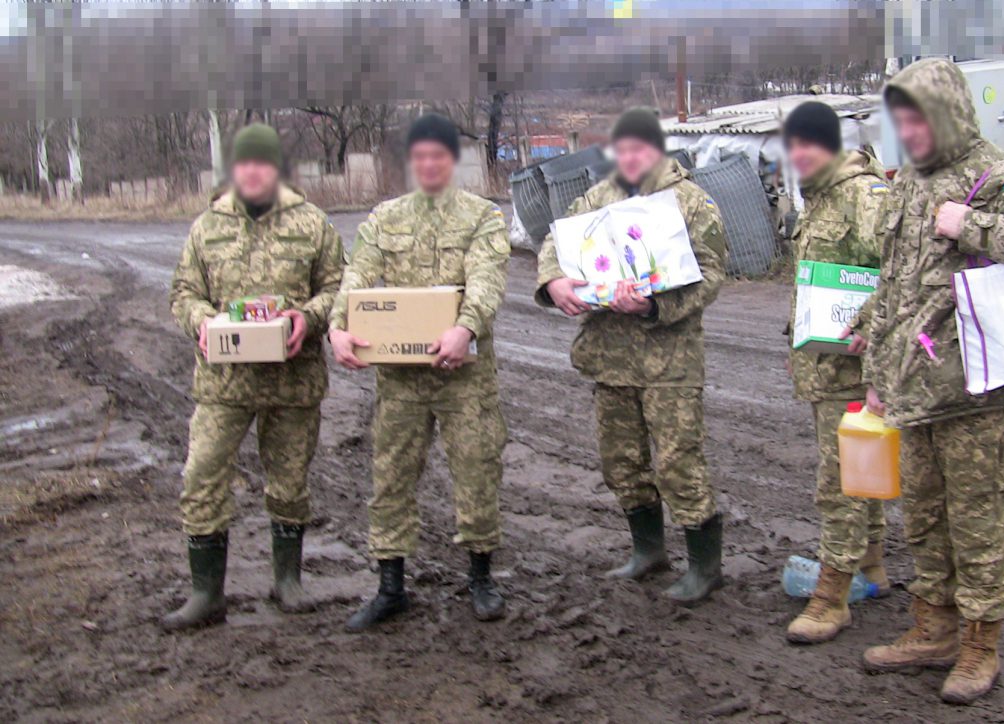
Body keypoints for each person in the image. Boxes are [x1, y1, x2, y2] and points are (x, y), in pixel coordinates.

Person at [844, 58, 1004, 704]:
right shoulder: (906, 185)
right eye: (900, 120)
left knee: (976, 523)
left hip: (975, 391)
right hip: (913, 391)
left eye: (917, 118)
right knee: (923, 518)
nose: (908, 132)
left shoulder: (995, 176)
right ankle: (935, 629)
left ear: (947, 113)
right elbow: (897, 287)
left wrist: (972, 224)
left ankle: (980, 646)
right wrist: (876, 363)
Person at [535, 108, 729, 604]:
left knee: (678, 464)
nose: (631, 158)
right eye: (622, 149)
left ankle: (704, 568)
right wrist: (554, 281)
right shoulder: (597, 199)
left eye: (640, 148)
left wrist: (654, 305)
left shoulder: (691, 202)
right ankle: (648, 552)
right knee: (622, 462)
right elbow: (554, 244)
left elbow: (711, 274)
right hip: (609, 357)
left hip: (669, 361)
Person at [329, 113, 511, 630]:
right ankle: (390, 586)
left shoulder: (483, 216)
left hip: (464, 376)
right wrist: (338, 325)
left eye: (439, 156)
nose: (429, 165)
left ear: (452, 160)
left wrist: (467, 327)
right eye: (420, 157)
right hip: (401, 379)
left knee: (477, 472)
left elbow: (486, 279)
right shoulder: (386, 217)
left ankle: (480, 577)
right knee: (390, 477)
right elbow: (358, 272)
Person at [165, 123, 345, 630]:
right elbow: (183, 292)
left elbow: (339, 289)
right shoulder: (208, 226)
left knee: (289, 481)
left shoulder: (312, 223)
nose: (253, 172)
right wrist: (201, 322)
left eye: (262, 163)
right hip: (224, 384)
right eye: (244, 164)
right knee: (202, 476)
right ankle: (207, 593)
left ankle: (287, 581)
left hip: (294, 380)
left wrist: (305, 319)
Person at [780, 101, 891, 644]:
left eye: (808, 143)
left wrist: (871, 324)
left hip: (855, 367)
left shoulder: (863, 196)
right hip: (826, 363)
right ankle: (872, 566)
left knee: (839, 482)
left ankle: (832, 596)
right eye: (792, 145)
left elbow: (900, 269)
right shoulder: (819, 199)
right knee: (861, 470)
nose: (799, 154)